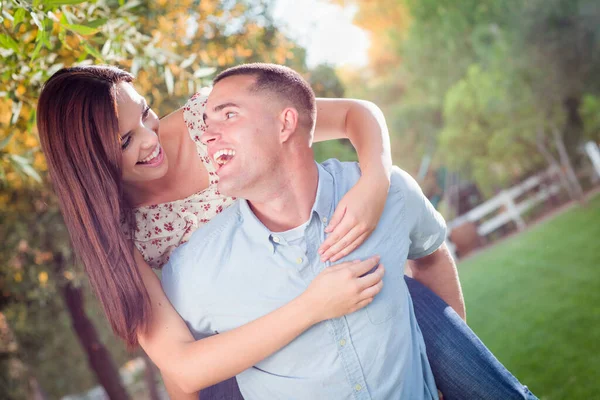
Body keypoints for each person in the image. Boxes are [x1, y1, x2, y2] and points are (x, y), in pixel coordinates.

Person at [37, 64, 537, 400]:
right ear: (91, 164)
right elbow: (184, 367)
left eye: (145, 113)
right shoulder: (117, 233)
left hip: (334, 271)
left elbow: (356, 115)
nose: (151, 139)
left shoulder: (206, 121)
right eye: (126, 140)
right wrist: (313, 306)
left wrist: (375, 179)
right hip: (239, 343)